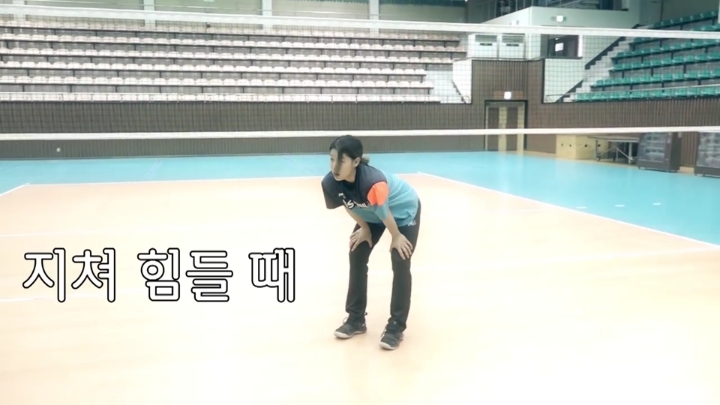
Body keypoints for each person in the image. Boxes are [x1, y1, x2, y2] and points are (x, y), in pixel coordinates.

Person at [321, 135, 421, 350]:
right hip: (372, 213)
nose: (335, 166)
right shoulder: (330, 182)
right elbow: (348, 204)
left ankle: (396, 326)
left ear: (356, 162)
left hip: (402, 212)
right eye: (331, 159)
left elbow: (385, 213)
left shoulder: (372, 182)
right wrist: (364, 228)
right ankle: (355, 319)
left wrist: (396, 236)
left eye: (341, 161)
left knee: (400, 258)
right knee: (357, 252)